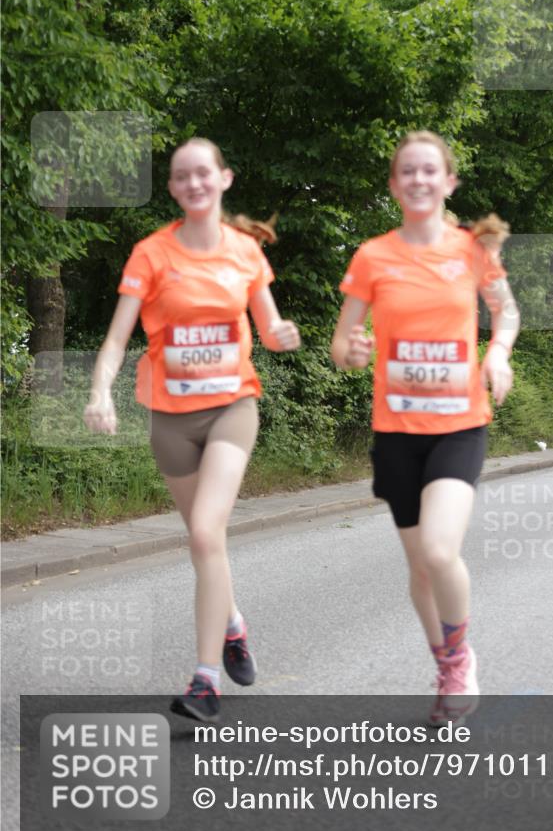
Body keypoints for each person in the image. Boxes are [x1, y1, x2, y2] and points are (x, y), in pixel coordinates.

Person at [84, 137, 300, 721]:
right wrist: (101, 391)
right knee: (205, 542)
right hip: (170, 420)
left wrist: (282, 335)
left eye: (204, 173)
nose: (194, 183)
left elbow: (271, 322)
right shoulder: (151, 254)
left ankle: (206, 681)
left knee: (206, 532)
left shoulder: (245, 252)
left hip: (233, 408)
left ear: (224, 179)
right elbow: (115, 338)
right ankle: (232, 623)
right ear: (175, 188)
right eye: (182, 177)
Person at [331, 131, 519, 724]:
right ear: (394, 184)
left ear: (448, 182)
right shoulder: (372, 256)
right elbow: (343, 341)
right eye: (406, 171)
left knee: (440, 551)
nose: (418, 180)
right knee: (418, 566)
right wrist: (352, 351)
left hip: (460, 424)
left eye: (429, 171)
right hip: (397, 430)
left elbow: (505, 309)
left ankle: (459, 659)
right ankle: (444, 663)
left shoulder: (472, 251)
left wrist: (498, 354)